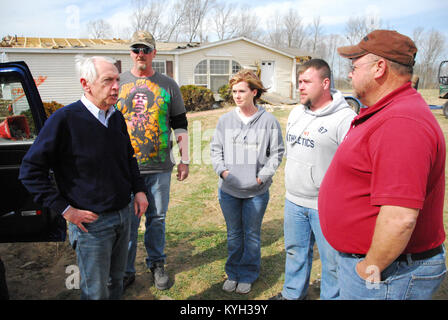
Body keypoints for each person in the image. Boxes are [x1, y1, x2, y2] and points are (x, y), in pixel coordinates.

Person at [319, 29, 447, 300]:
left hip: (389, 273)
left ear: (379, 68)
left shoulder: (401, 123)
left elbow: (400, 218)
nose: (350, 74)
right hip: (383, 267)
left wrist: (368, 269)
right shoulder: (388, 111)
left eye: (354, 67)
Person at [18, 55, 149, 300]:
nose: (115, 86)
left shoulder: (115, 117)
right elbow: (30, 171)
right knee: (96, 292)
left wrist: (139, 190)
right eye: (107, 80)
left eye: (117, 80)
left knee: (116, 283)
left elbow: (128, 157)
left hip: (124, 215)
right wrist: (65, 210)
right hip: (92, 225)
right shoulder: (64, 120)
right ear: (85, 83)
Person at [270, 59, 356, 300]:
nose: (300, 87)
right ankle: (292, 294)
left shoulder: (345, 119)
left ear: (325, 83)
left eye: (307, 81)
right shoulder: (297, 111)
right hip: (294, 200)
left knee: (331, 262)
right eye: (299, 82)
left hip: (326, 206)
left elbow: (352, 168)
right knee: (295, 252)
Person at [116, 31, 189, 291]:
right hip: (126, 168)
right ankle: (125, 270)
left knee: (157, 218)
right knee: (128, 221)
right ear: (130, 53)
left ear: (154, 53)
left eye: (145, 49)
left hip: (159, 167)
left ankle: (156, 263)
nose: (140, 54)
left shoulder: (168, 84)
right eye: (136, 49)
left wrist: (185, 160)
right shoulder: (119, 82)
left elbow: (180, 123)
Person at [210, 69, 284, 294]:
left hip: (256, 192)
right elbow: (215, 150)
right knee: (233, 234)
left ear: (254, 92)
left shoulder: (268, 121)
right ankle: (233, 272)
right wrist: (223, 172)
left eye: (242, 91)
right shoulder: (225, 120)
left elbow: (277, 153)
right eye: (234, 91)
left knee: (251, 234)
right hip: (229, 190)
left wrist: (262, 177)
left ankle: (248, 273)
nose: (237, 95)